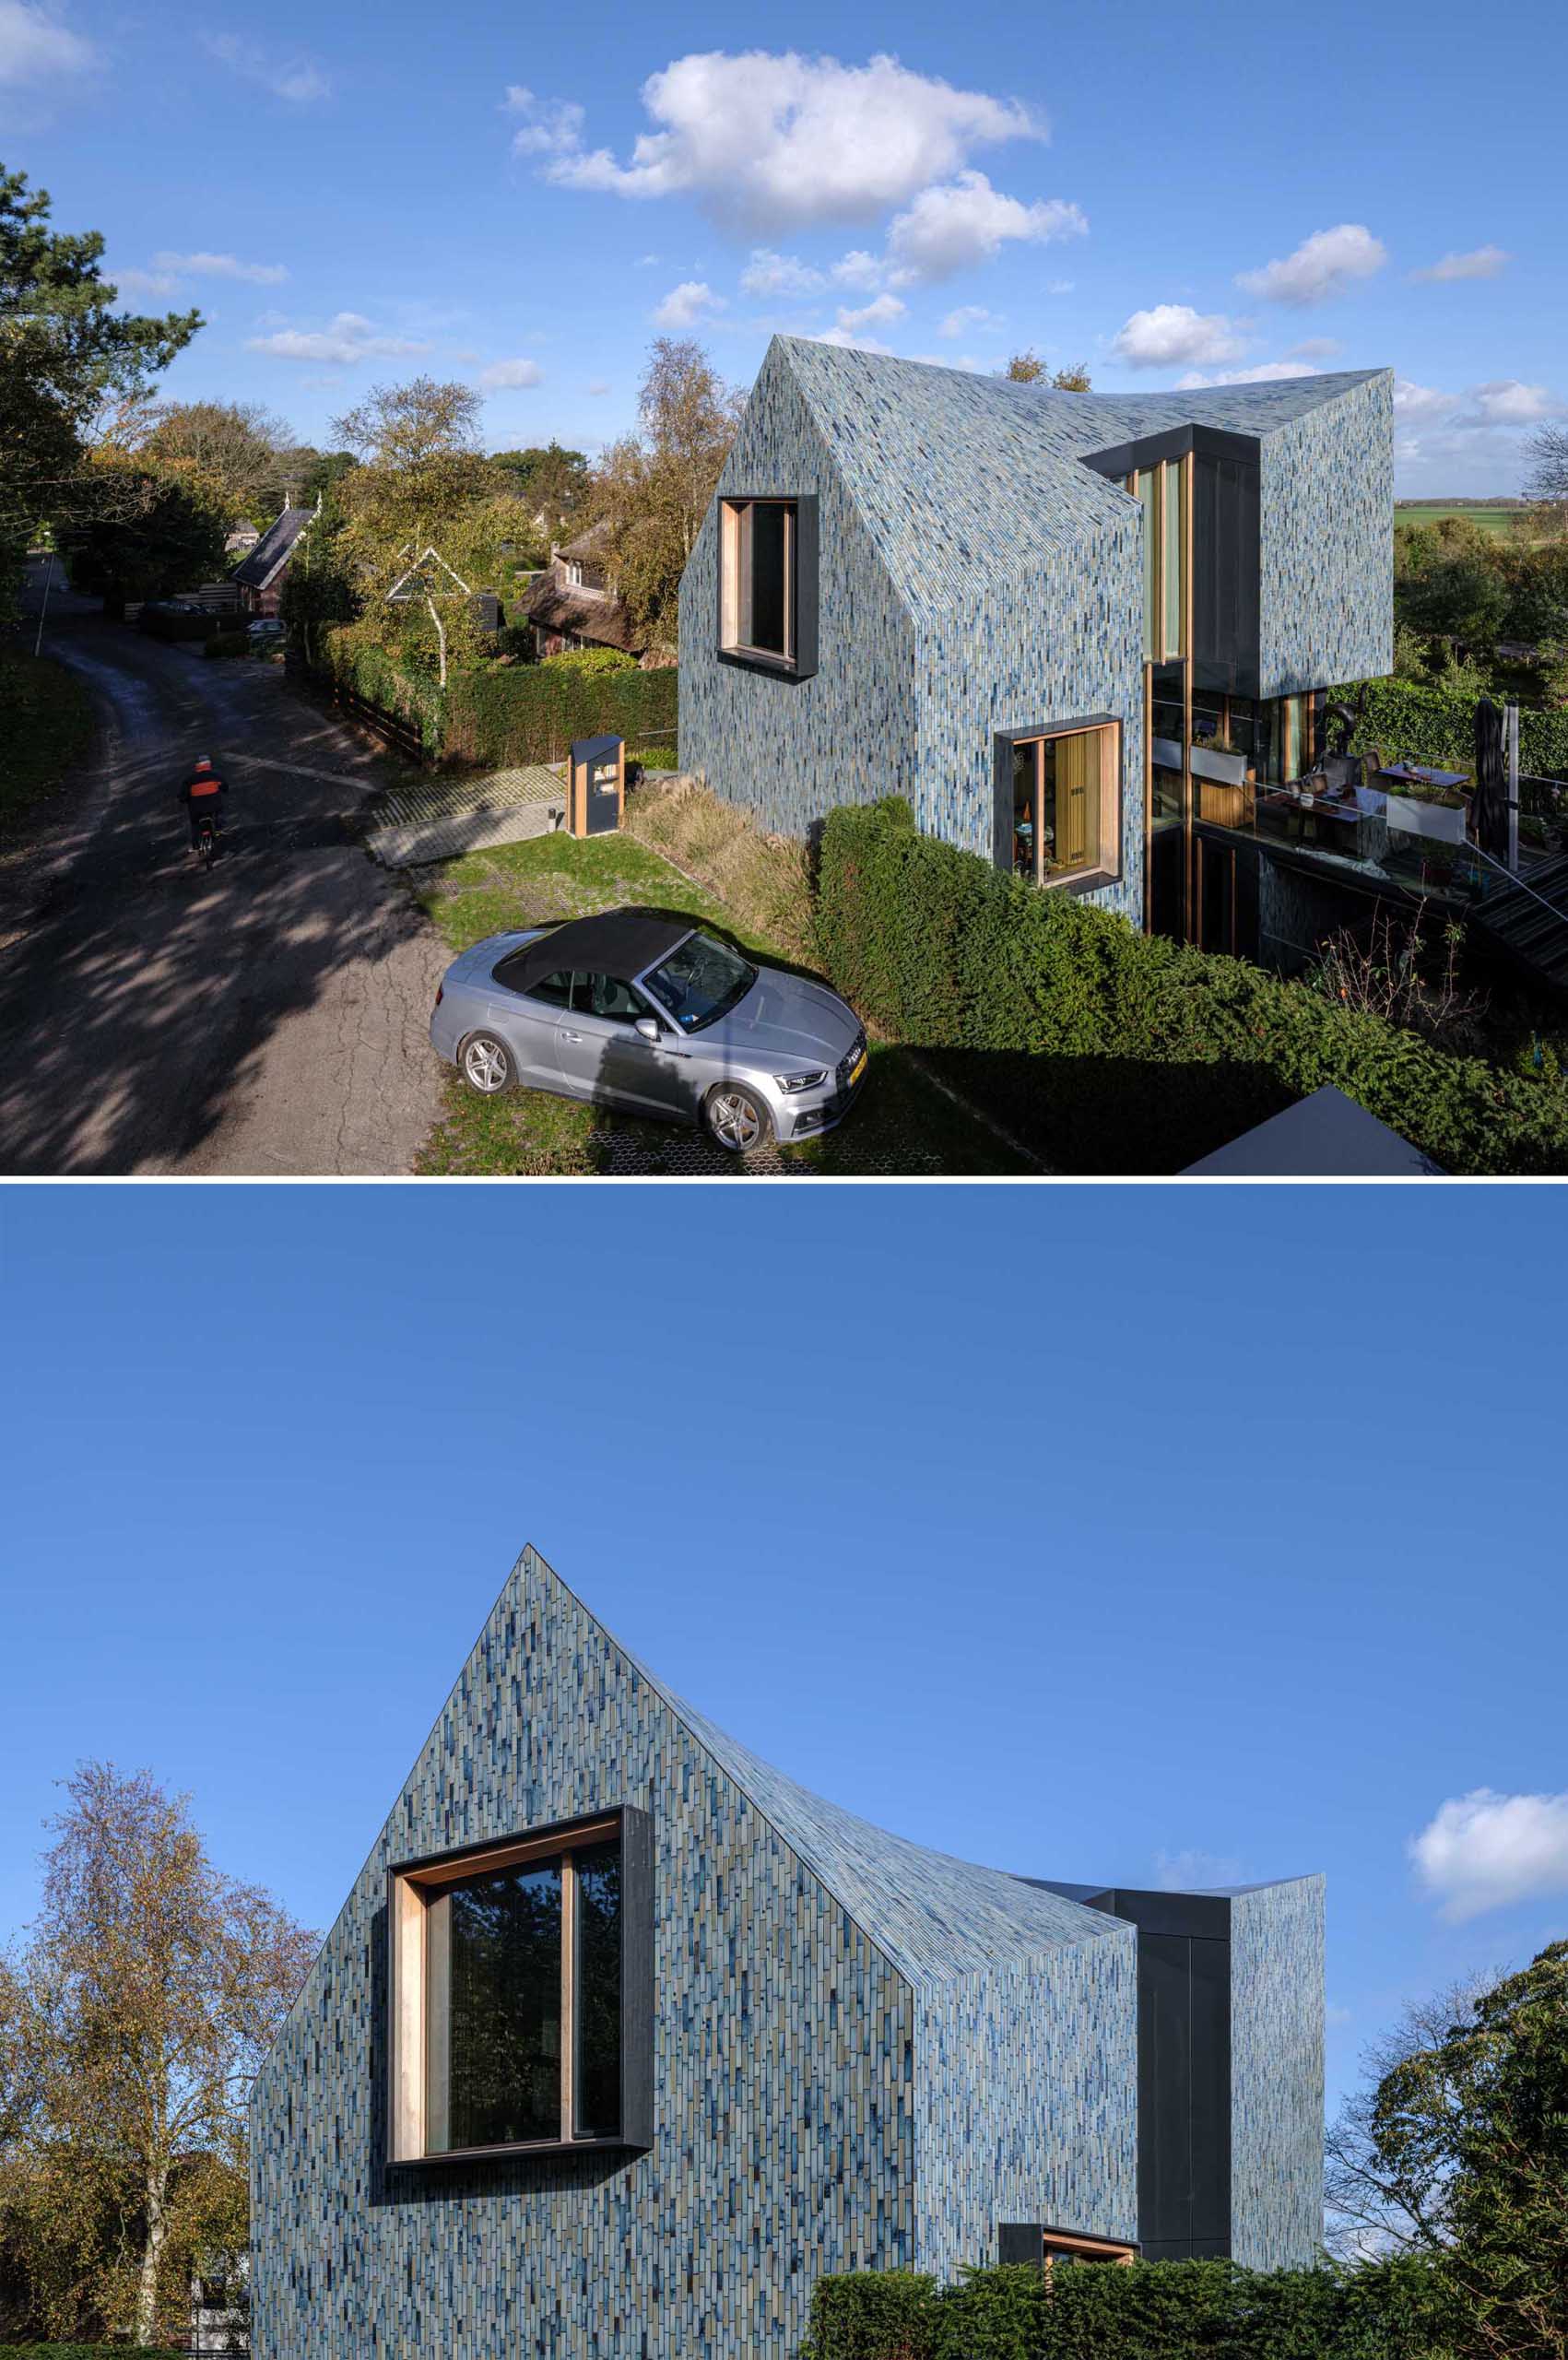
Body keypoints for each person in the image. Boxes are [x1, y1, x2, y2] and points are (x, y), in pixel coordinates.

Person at [180, 754, 228, 851]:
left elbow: (183, 796)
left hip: (197, 809)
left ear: (197, 765)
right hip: (214, 805)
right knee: (219, 812)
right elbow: (225, 788)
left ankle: (196, 846)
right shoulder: (215, 775)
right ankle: (219, 828)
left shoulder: (189, 780)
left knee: (195, 824)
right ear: (209, 764)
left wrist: (185, 799)